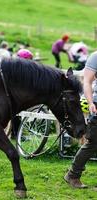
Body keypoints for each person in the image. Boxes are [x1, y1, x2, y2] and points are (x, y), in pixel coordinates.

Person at [64, 51, 97, 188]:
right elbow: (87, 81)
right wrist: (90, 103)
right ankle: (72, 175)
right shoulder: (95, 57)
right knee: (93, 143)